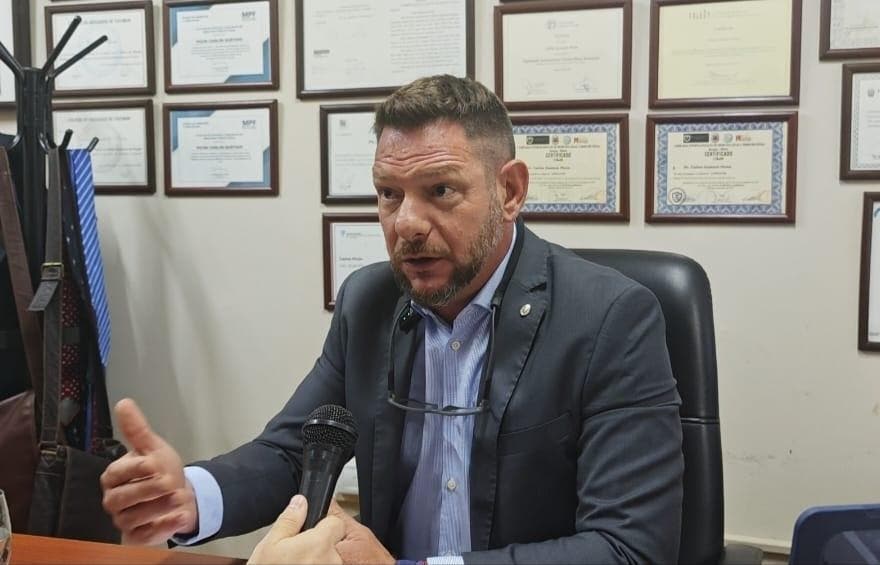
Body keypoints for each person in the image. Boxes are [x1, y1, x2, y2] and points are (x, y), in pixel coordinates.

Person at [100, 75, 684, 564]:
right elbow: (295, 452)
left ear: (509, 191)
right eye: (388, 194)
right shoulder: (370, 301)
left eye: (440, 190)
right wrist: (190, 498)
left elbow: (627, 547)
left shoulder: (610, 317)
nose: (406, 223)